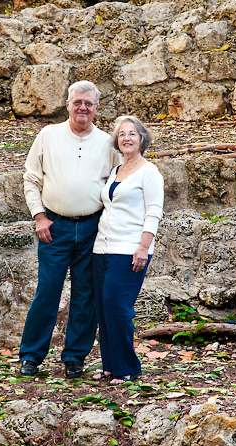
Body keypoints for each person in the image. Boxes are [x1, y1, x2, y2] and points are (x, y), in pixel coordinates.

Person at [19, 80, 121, 378]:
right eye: (77, 102)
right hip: (54, 227)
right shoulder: (48, 136)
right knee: (47, 292)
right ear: (67, 104)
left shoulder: (107, 142)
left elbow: (118, 183)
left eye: (89, 103)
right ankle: (31, 356)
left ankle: (75, 357)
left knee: (85, 295)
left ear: (97, 108)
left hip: (92, 227)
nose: (83, 108)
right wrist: (39, 216)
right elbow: (31, 179)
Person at [91, 115, 164, 385]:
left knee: (117, 306)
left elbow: (154, 213)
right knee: (103, 308)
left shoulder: (149, 172)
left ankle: (128, 367)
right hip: (102, 249)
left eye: (132, 133)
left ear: (142, 139)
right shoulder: (115, 172)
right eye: (122, 134)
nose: (127, 138)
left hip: (131, 249)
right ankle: (110, 365)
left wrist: (144, 247)